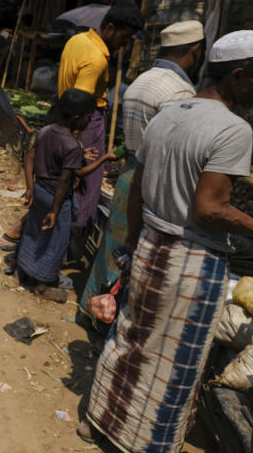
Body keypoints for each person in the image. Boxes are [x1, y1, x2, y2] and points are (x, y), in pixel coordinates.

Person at [78, 30, 253, 452]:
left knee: (130, 340)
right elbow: (209, 209)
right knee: (174, 363)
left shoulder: (170, 114)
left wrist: (134, 246)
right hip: (191, 259)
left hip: (152, 244)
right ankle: (145, 443)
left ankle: (98, 422)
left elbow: (138, 189)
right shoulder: (234, 130)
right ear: (240, 76)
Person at [79, 20, 205, 326]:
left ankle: (91, 308)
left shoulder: (141, 80)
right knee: (132, 252)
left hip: (130, 172)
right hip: (153, 179)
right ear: (195, 50)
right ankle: (107, 318)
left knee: (113, 245)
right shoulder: (180, 91)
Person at [16, 90, 114, 302]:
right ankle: (43, 284)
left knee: (34, 232)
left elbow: (30, 157)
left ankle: (24, 269)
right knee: (57, 241)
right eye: (89, 117)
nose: (90, 122)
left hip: (40, 190)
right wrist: (104, 158)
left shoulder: (46, 131)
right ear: (77, 118)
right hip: (57, 200)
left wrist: (30, 187)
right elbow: (68, 179)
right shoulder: (71, 145)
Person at [57, 0, 141, 230]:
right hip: (86, 122)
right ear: (110, 28)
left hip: (65, 114)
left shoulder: (78, 39)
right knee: (87, 182)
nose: (124, 44)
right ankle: (75, 226)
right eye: (124, 37)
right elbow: (81, 106)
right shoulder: (96, 59)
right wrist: (78, 142)